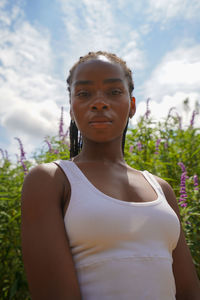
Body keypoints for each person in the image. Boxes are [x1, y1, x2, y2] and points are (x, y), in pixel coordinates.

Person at [21, 51, 200, 300]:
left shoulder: (162, 189)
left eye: (114, 92)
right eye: (83, 94)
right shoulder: (51, 180)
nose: (99, 102)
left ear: (132, 106)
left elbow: (189, 291)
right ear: (71, 108)